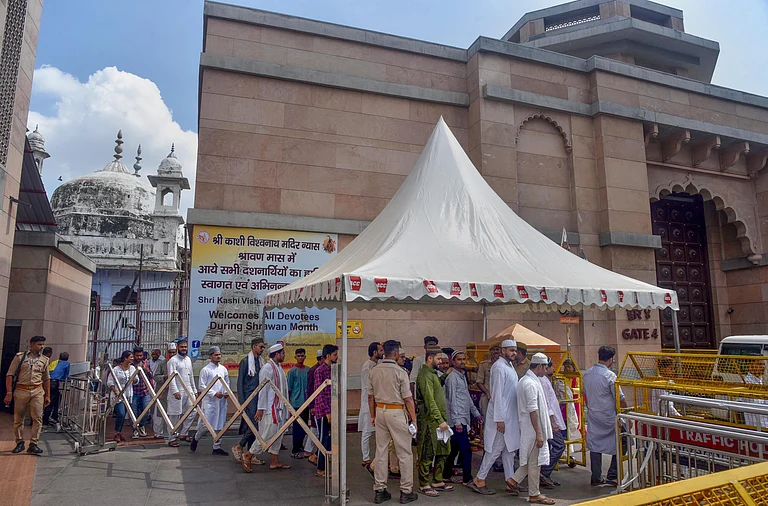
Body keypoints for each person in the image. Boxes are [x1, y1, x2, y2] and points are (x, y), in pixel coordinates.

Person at [369, 340, 418, 505]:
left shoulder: (374, 370)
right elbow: (408, 399)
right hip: (396, 412)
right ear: (396, 354)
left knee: (381, 451)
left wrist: (372, 415)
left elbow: (370, 396)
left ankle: (380, 489)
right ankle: (406, 491)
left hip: (380, 411)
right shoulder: (400, 372)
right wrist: (414, 420)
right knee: (404, 452)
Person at [469, 339, 520, 496]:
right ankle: (479, 479)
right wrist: (499, 419)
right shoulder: (498, 367)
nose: (514, 353)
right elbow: (497, 394)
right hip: (501, 416)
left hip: (509, 416)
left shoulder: (509, 365)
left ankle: (511, 480)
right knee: (496, 449)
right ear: (503, 351)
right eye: (511, 350)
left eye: (515, 350)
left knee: (509, 450)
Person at [506, 353, 555, 504]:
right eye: (545, 367)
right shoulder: (530, 384)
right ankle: (534, 493)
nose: (546, 370)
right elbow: (533, 410)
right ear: (539, 366)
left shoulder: (529, 381)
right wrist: (539, 434)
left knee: (532, 460)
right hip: (533, 428)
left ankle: (514, 480)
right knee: (535, 463)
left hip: (531, 427)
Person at [242, 343, 291, 472]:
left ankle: (274, 461)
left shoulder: (279, 368)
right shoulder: (267, 368)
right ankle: (249, 455)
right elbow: (262, 390)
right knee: (267, 434)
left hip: (280, 407)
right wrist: (261, 408)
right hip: (270, 408)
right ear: (277, 354)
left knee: (278, 434)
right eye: (282, 353)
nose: (284, 355)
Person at [583, 346, 627, 487]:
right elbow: (619, 398)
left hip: (594, 415)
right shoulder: (610, 376)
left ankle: (596, 476)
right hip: (609, 417)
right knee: (623, 441)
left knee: (595, 445)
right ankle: (613, 474)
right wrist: (626, 414)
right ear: (610, 360)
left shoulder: (587, 374)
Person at [415, 344, 453, 497]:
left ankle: (437, 480)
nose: (440, 362)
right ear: (430, 358)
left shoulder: (433, 374)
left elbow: (436, 388)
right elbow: (429, 400)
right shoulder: (424, 375)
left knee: (443, 451)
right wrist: (439, 419)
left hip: (439, 420)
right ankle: (424, 484)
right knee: (427, 453)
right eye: (438, 359)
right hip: (430, 421)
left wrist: (445, 375)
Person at [4, 335, 51, 454]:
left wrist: (47, 395)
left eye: (42, 344)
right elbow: (10, 374)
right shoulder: (20, 357)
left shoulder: (44, 360)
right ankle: (19, 442)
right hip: (21, 390)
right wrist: (9, 392)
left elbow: (46, 378)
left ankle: (33, 443)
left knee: (37, 418)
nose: (41, 347)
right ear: (32, 345)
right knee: (18, 418)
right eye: (39, 344)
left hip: (37, 391)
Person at [442, 349, 482, 486]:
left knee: (454, 449)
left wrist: (476, 413)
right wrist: (457, 422)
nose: (462, 362)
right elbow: (452, 400)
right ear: (453, 362)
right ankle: (467, 478)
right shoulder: (452, 378)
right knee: (466, 450)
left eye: (463, 359)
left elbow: (466, 398)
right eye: (459, 359)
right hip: (457, 420)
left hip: (463, 418)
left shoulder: (462, 375)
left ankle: (446, 475)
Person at [191, 346, 230, 455]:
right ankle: (196, 437)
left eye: (219, 354)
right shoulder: (205, 370)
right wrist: (214, 393)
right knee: (206, 425)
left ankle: (216, 447)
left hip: (221, 401)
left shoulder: (223, 369)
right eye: (216, 355)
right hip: (210, 402)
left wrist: (227, 392)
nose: (218, 356)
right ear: (210, 356)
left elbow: (227, 383)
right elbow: (202, 386)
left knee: (220, 424)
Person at [233, 337, 266, 463]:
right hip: (249, 397)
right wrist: (242, 401)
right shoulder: (246, 361)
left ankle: (250, 454)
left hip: (259, 397)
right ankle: (239, 446)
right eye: (260, 347)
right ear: (254, 347)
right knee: (254, 424)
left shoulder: (261, 362)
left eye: (263, 347)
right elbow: (240, 382)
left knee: (254, 425)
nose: (262, 349)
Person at [540, 358, 567, 489]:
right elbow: (546, 404)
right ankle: (544, 472)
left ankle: (545, 473)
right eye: (552, 367)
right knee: (559, 445)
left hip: (551, 419)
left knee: (551, 447)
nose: (554, 369)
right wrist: (553, 422)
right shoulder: (543, 382)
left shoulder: (546, 381)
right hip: (550, 421)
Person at [166, 337, 198, 447]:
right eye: (182, 347)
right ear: (177, 348)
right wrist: (175, 391)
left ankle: (183, 433)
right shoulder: (173, 361)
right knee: (175, 415)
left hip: (188, 391)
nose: (184, 349)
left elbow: (191, 376)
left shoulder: (188, 359)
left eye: (185, 347)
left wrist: (194, 391)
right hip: (177, 392)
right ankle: (172, 438)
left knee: (192, 411)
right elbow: (171, 377)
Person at [313, 344, 338, 477]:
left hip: (332, 408)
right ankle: (320, 468)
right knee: (324, 439)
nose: (337, 357)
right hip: (323, 411)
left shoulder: (332, 369)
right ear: (328, 356)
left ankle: (325, 463)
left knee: (330, 439)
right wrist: (327, 412)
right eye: (334, 355)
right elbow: (320, 393)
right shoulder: (320, 371)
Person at [359, 341, 382, 471]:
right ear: (374, 352)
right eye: (380, 350)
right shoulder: (368, 366)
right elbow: (369, 389)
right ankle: (366, 458)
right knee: (367, 432)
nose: (382, 353)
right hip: (369, 403)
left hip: (376, 403)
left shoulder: (376, 365)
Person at [107, 350, 138, 443]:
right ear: (125, 358)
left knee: (124, 415)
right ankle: (117, 432)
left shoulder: (132, 368)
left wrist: (135, 379)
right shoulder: (116, 369)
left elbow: (136, 381)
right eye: (131, 357)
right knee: (120, 413)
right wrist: (115, 391)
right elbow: (110, 382)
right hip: (118, 395)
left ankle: (119, 432)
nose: (132, 359)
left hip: (128, 395)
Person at [287, 348, 310, 459]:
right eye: (298, 356)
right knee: (297, 427)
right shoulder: (292, 372)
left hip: (306, 403)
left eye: (302, 355)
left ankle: (300, 446)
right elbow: (289, 389)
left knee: (304, 426)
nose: (300, 358)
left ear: (305, 357)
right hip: (296, 403)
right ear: (295, 357)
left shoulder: (308, 370)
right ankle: (294, 449)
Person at [303, 348, 324, 464]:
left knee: (316, 428)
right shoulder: (313, 371)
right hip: (315, 404)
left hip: (321, 405)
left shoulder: (321, 369)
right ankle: (310, 451)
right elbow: (310, 390)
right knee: (315, 428)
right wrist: (311, 406)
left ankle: (309, 450)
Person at [131, 346, 154, 439]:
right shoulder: (131, 364)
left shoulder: (146, 363)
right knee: (134, 411)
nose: (139, 357)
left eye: (141, 355)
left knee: (146, 410)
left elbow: (151, 374)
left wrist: (145, 368)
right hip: (134, 391)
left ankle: (141, 425)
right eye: (137, 355)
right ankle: (135, 428)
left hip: (145, 390)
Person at [44, 352, 70, 426]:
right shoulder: (67, 364)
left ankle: (53, 416)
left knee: (56, 397)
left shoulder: (55, 362)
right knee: (51, 401)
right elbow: (66, 375)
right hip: (54, 383)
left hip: (47, 381)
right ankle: (46, 419)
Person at [476, 345, 501, 416]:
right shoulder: (484, 365)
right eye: (493, 350)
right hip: (487, 397)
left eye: (497, 349)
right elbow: (479, 382)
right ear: (490, 351)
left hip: (501, 397)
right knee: (486, 419)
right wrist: (487, 393)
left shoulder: (505, 365)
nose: (495, 352)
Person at [149, 348, 168, 439]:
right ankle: (158, 433)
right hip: (161, 390)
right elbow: (155, 376)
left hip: (174, 392)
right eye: (170, 352)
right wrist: (164, 377)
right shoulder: (162, 363)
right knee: (159, 412)